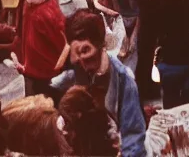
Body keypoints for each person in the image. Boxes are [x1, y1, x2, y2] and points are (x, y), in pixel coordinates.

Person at [51, 10, 146, 157]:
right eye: (78, 56)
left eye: (86, 52)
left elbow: (133, 138)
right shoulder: (70, 76)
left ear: (101, 44)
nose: (83, 63)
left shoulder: (123, 80)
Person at [13, 0, 66, 99]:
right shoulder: (27, 4)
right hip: (31, 71)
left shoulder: (46, 13)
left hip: (46, 78)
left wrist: (57, 69)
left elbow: (64, 46)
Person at [59, 85, 121, 156]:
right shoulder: (98, 119)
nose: (65, 127)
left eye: (67, 121)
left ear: (78, 114)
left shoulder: (95, 124)